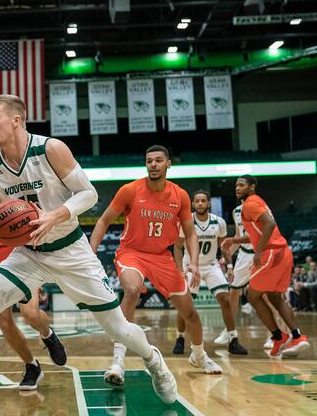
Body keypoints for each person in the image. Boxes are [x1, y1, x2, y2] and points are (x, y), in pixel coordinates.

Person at [0, 96, 178, 416]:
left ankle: (153, 360)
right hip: (29, 254)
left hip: (70, 250)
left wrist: (55, 214)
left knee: (118, 328)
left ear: (16, 120)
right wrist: (4, 228)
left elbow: (88, 194)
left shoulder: (51, 149)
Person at [90, 146, 222, 387]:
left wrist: (193, 263)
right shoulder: (130, 190)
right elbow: (103, 221)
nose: (153, 164)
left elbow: (190, 233)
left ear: (168, 164)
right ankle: (118, 361)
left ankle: (199, 355)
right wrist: (91, 254)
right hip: (132, 253)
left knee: (190, 313)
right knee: (131, 289)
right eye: (149, 161)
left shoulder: (180, 196)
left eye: (158, 161)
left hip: (162, 257)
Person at [0, 174, 66, 390]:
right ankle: (32, 365)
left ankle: (48, 334)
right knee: (2, 318)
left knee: (30, 314)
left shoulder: (22, 177)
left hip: (17, 250)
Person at [222, 175, 309, 359]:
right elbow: (258, 232)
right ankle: (297, 336)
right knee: (275, 297)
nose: (237, 188)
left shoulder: (250, 204)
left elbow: (270, 225)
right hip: (283, 252)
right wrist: (235, 239)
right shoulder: (258, 202)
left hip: (271, 253)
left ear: (252, 187)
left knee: (252, 295)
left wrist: (259, 251)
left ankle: (278, 336)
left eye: (242, 185)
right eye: (236, 185)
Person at [174, 190, 247, 355]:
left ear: (208, 203)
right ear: (193, 204)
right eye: (197, 201)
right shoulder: (186, 222)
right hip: (190, 266)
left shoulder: (219, 222)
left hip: (211, 265)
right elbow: (177, 247)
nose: (200, 204)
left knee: (225, 299)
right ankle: (180, 338)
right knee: (185, 304)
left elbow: (224, 248)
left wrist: (229, 267)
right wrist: (180, 270)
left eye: (203, 201)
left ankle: (233, 339)